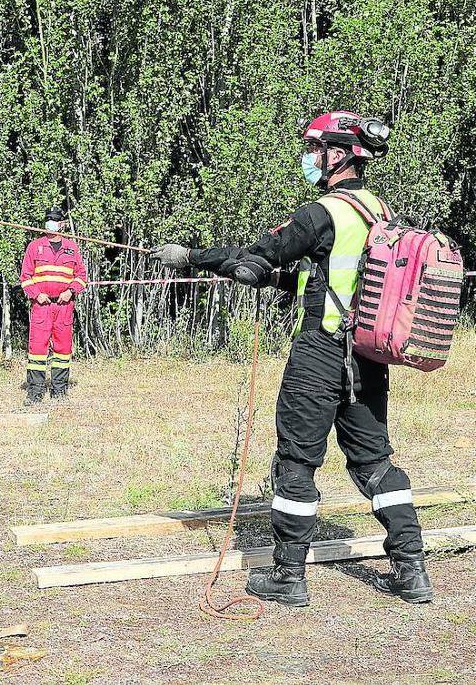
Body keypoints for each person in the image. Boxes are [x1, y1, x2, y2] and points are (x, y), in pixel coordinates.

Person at [149, 111, 429, 606]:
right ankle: (411, 570)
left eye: (313, 148)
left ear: (336, 154)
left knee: (296, 461)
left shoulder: (323, 211)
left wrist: (191, 257)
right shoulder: (378, 211)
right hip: (366, 357)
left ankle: (288, 575)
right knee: (376, 463)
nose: (307, 158)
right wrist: (265, 273)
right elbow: (322, 279)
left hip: (319, 354)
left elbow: (264, 252)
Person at [20, 206, 87, 403]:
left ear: (62, 224)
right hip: (41, 305)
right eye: (48, 218)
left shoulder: (72, 248)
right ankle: (35, 392)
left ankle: (59, 391)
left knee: (63, 350)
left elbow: (81, 276)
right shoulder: (34, 246)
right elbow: (25, 277)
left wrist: (71, 291)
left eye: (55, 219)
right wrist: (36, 294)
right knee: (37, 350)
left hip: (64, 306)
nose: (51, 222)